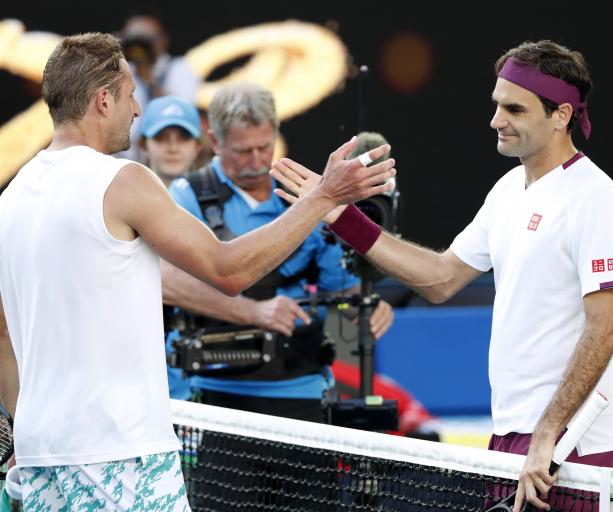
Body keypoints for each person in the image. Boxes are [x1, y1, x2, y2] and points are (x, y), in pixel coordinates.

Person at [0, 33, 395, 510]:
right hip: (120, 458)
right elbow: (227, 269)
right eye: (130, 97)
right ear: (103, 100)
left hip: (41, 455)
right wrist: (323, 197)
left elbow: (3, 338)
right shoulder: (122, 180)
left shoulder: (12, 197)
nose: (137, 111)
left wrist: (25, 427)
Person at [271, 40, 613, 511]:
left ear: (560, 115)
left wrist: (547, 433)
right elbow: (440, 278)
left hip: (569, 444)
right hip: (513, 434)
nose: (496, 120)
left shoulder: (596, 197)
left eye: (514, 109)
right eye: (497, 104)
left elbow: (604, 331)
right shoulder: (507, 190)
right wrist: (340, 216)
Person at [162, 81, 394, 421]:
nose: (256, 161)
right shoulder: (186, 196)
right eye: (243, 151)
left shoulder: (308, 191)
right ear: (215, 141)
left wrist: (364, 306)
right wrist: (251, 312)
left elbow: (338, 287)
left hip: (304, 390)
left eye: (264, 146)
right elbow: (164, 281)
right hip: (213, 392)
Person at [117, 12, 201, 161]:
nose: (139, 45)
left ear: (163, 40)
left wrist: (148, 77)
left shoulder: (178, 68)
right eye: (134, 37)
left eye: (145, 38)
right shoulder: (117, 69)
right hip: (121, 158)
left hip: (165, 156)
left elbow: (181, 114)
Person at [139, 95, 203, 188]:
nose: (173, 148)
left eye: (183, 138)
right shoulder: (121, 199)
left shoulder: (218, 200)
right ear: (144, 145)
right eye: (161, 138)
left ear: (197, 147)